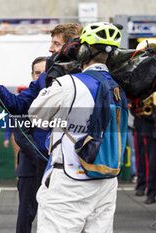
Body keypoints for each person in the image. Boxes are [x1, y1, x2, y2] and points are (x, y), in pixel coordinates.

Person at [28, 22, 125, 232]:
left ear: (82, 51)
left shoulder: (68, 83)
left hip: (69, 179)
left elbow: (35, 115)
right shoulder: (118, 87)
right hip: (107, 179)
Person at [0, 23, 83, 189]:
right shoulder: (44, 78)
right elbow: (17, 105)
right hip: (49, 160)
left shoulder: (89, 78)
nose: (50, 49)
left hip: (80, 161)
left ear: (72, 47)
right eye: (51, 42)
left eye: (56, 44)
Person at [13, 56, 46, 233]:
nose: (41, 76)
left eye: (45, 73)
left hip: (56, 168)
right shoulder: (24, 100)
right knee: (26, 216)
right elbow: (21, 136)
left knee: (54, 217)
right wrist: (43, 159)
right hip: (31, 168)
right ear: (32, 75)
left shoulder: (62, 96)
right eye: (37, 73)